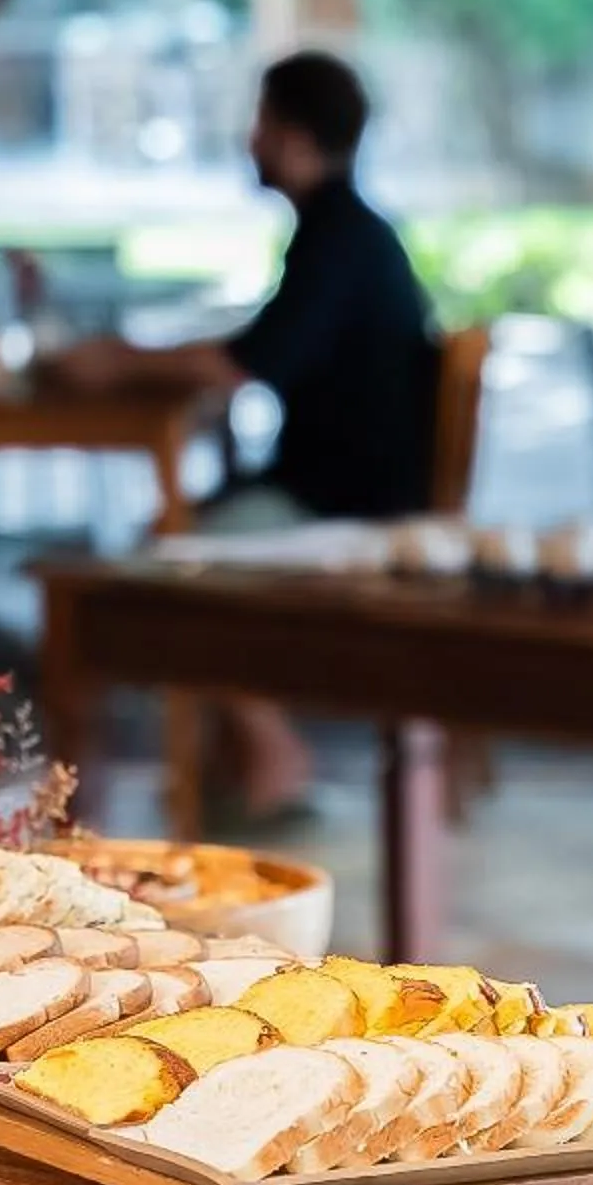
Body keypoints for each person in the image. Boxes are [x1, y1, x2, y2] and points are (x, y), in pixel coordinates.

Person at [51, 50, 440, 823]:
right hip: (332, 484)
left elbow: (244, 365)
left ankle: (267, 758)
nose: (249, 139)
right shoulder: (342, 232)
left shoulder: (339, 238)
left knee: (155, 563)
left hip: (347, 504)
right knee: (166, 537)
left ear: (293, 136)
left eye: (260, 121)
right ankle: (231, 769)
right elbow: (264, 354)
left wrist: (118, 363)